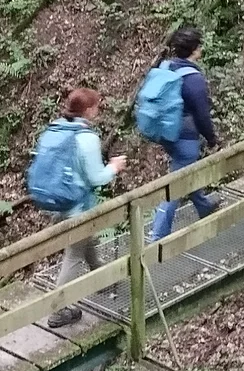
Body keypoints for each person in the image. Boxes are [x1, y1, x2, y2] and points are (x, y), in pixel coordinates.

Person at [29, 88, 126, 330]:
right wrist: (114, 167)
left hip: (57, 202)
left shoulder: (56, 129)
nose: (99, 110)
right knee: (74, 254)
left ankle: (102, 279)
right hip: (77, 206)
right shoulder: (86, 138)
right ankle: (58, 309)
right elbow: (96, 177)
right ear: (88, 110)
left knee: (85, 242)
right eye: (97, 106)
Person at [142, 25, 222, 241]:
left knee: (185, 169)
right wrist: (212, 139)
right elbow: (202, 115)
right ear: (195, 49)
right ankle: (158, 235)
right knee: (175, 185)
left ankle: (204, 205)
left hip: (168, 134)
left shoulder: (168, 66)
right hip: (186, 138)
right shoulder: (193, 78)